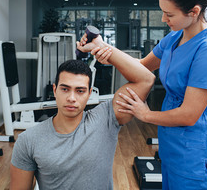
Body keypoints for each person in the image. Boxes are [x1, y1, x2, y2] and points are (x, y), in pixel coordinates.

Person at [78, 0, 207, 190]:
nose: (163, 19)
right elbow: (141, 67)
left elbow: (189, 114)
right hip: (171, 143)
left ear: (194, 11)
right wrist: (103, 48)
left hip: (194, 151)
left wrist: (145, 114)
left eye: (169, 14)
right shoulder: (175, 37)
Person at [10, 57, 155, 189]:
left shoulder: (105, 119)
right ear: (55, 90)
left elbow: (146, 79)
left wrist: (105, 50)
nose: (72, 98)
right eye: (65, 89)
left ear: (89, 94)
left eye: (80, 91)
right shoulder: (28, 140)